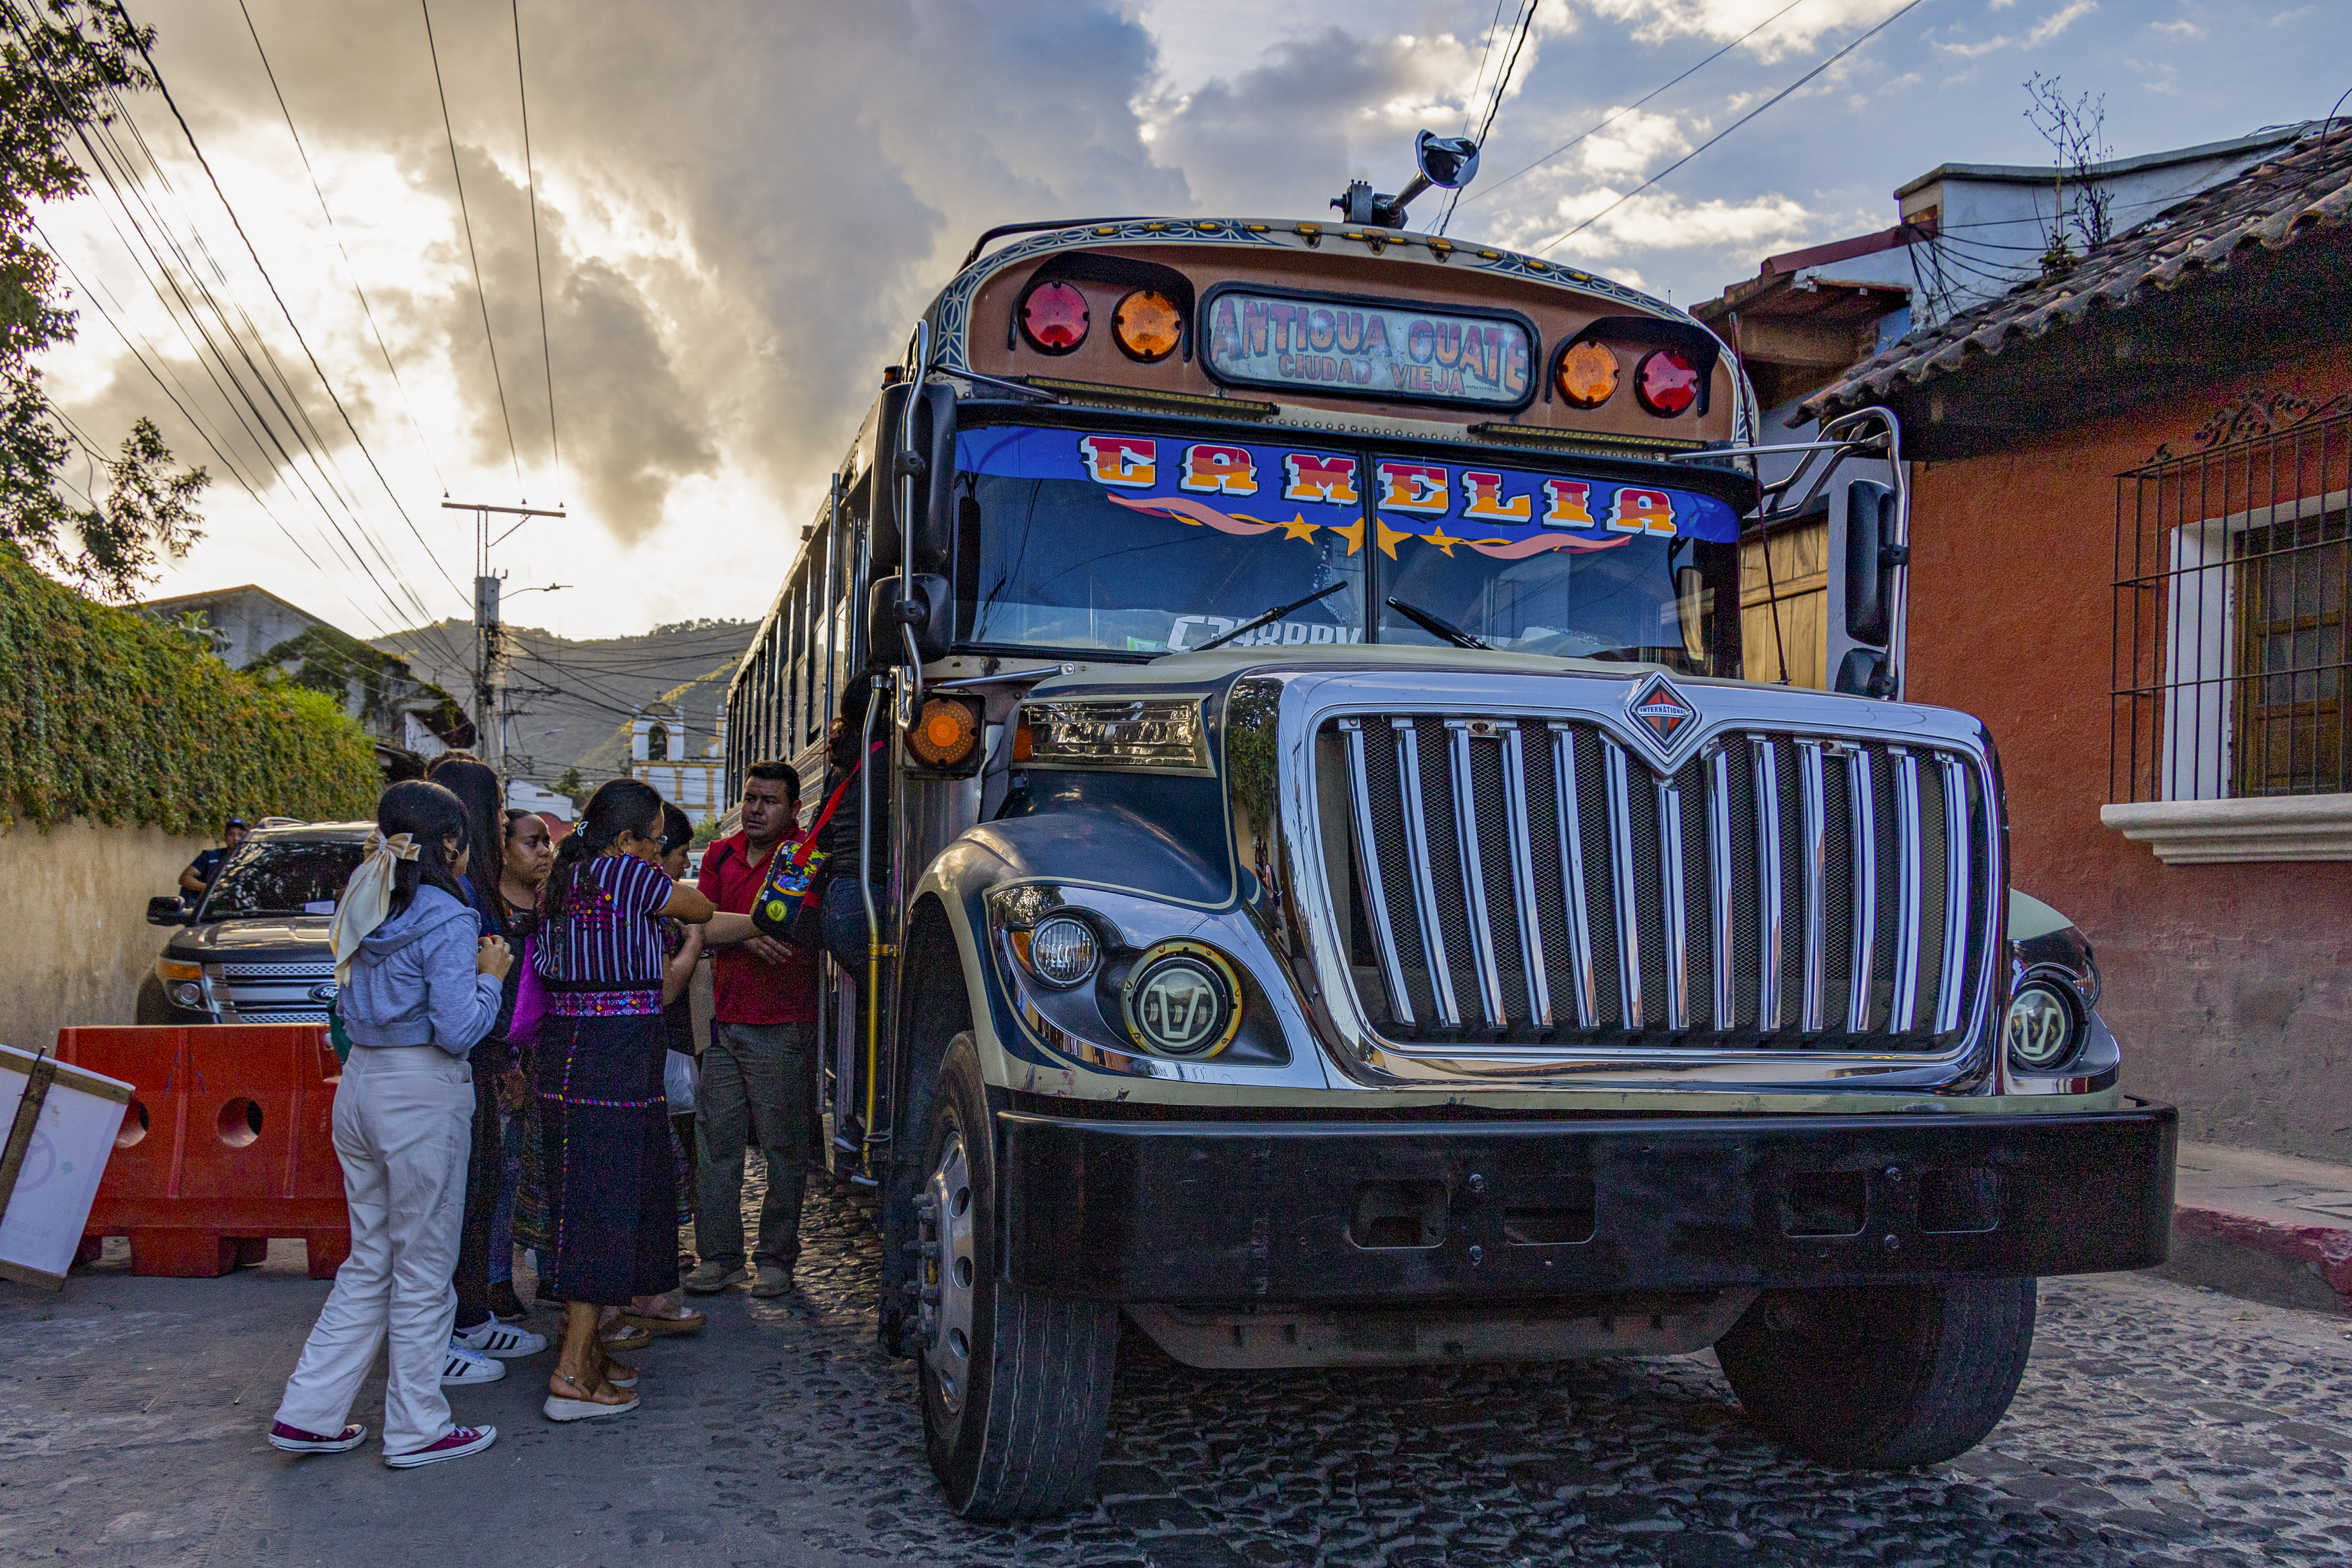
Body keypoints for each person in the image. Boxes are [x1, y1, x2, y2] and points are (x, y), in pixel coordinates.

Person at [268, 781, 512, 1469]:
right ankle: (418, 1426)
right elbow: (460, 1029)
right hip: (421, 1092)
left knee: (371, 1258)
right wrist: (491, 974)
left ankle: (309, 1413)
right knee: (425, 1266)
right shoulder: (448, 916)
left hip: (363, 1086)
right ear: (454, 847)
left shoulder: (365, 895)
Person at [530, 779, 716, 1421]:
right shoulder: (623, 874)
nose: (660, 852)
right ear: (627, 838)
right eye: (657, 840)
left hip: (567, 1056)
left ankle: (594, 1353)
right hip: (612, 1061)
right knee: (603, 1212)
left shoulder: (563, 877)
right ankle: (574, 1373)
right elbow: (696, 907)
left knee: (586, 1205)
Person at [428, 758, 549, 1361]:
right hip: (467, 1061)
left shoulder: (469, 883)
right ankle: (445, 1335)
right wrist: (503, 1058)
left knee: (479, 1193)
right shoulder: (455, 893)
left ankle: (471, 1318)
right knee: (463, 1198)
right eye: (499, 807)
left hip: (479, 1058)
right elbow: (465, 1004)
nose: (502, 820)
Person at [685, 761, 820, 1298]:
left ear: (794, 808)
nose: (755, 810)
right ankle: (719, 1257)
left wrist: (730, 931)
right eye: (749, 798)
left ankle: (776, 1258)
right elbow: (704, 922)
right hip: (723, 1023)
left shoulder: (805, 856)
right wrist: (750, 931)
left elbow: (790, 923)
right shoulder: (721, 853)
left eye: (768, 801)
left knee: (784, 1149)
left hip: (783, 1025)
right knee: (715, 1145)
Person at [619, 803, 708, 1338]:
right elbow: (666, 987)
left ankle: (639, 1293)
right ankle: (623, 1303)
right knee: (640, 1184)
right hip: (632, 1061)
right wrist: (695, 941)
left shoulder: (597, 885)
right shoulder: (637, 889)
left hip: (634, 1059)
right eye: (664, 846)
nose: (667, 859)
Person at [483, 808, 555, 1322]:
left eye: (548, 843)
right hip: (498, 1058)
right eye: (534, 843)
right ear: (505, 849)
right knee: (503, 1174)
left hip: (548, 1058)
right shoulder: (485, 912)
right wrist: (507, 1065)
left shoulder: (555, 906)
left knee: (548, 1171)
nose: (545, 852)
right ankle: (494, 1281)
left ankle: (553, 1276)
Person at [179, 817, 249, 905]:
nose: (236, 838)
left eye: (241, 835)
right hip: (207, 909)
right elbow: (185, 879)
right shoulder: (210, 856)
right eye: (231, 835)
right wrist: (210, 888)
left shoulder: (254, 860)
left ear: (248, 838)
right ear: (226, 837)